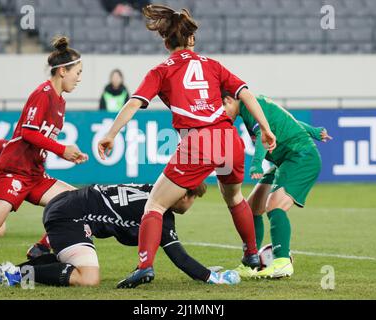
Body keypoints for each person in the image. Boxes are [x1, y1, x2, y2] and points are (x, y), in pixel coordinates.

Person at [97, 5, 276, 289]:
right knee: (234, 198)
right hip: (229, 139)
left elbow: (133, 103)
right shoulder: (213, 65)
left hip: (199, 140)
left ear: (166, 42)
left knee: (154, 204)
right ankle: (252, 254)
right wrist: (264, 128)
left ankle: (144, 266)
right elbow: (246, 94)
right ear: (191, 39)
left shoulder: (161, 71)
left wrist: (110, 134)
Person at [0, 37, 88, 265]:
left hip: (34, 174)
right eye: (78, 72)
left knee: (77, 202)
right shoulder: (42, 93)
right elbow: (28, 132)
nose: (80, 78)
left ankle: (40, 248)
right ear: (63, 71)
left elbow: (42, 139)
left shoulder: (60, 102)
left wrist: (68, 153)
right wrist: (61, 149)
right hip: (13, 170)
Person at [0, 183, 240, 287]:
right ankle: (12, 275)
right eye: (191, 199)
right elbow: (178, 256)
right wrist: (213, 277)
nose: (189, 206)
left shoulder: (155, 190)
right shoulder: (161, 213)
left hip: (68, 207)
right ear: (184, 195)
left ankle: (12, 270)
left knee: (77, 267)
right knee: (89, 278)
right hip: (70, 215)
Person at [222, 93, 330, 279]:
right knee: (252, 207)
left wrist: (256, 163)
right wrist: (312, 131)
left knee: (274, 205)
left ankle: (282, 262)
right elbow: (287, 122)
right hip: (284, 160)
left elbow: (263, 134)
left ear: (229, 100)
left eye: (220, 109)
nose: (220, 115)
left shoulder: (250, 107)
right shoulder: (254, 105)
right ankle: (251, 262)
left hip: (300, 157)